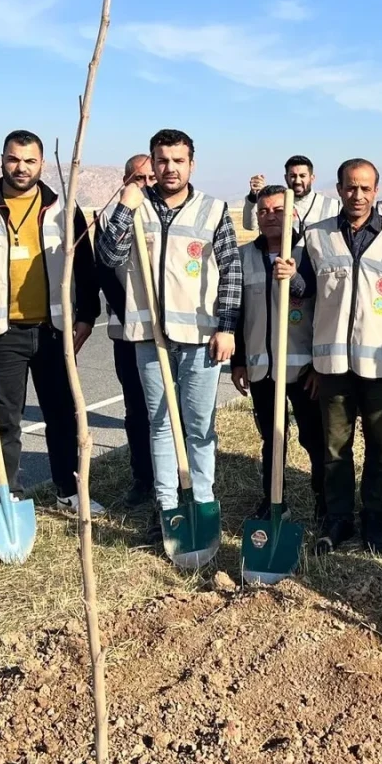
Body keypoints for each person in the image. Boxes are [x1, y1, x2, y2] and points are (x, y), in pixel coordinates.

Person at [0, 130, 103, 515]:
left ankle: (69, 490)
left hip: (53, 331)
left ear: (41, 163)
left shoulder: (64, 206)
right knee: (4, 420)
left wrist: (88, 315)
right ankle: (7, 495)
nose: (21, 167)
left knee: (63, 416)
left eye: (29, 161)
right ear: (2, 159)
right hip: (1, 332)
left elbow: (85, 265)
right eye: (14, 159)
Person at [95, 129, 242, 541]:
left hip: (200, 335)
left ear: (191, 164)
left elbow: (231, 270)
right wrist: (126, 205)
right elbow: (108, 257)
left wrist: (226, 327)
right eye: (162, 161)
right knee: (159, 423)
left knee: (198, 424)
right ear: (152, 164)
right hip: (149, 336)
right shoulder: (135, 209)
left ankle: (202, 500)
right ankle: (167, 508)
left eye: (178, 160)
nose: (170, 168)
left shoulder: (213, 210)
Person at [302, 158, 382, 554]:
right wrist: (291, 276)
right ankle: (338, 520)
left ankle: (374, 518)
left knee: (381, 447)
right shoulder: (316, 236)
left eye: (365, 188)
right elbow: (308, 288)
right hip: (332, 364)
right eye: (351, 187)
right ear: (338, 189)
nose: (358, 195)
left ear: (375, 191)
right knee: (335, 448)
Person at [231, 184, 328, 524]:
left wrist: (319, 366)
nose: (270, 216)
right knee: (272, 440)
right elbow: (238, 313)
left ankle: (324, 498)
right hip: (262, 369)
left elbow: (324, 305)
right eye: (263, 211)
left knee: (315, 438)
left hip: (304, 370)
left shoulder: (312, 251)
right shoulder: (244, 257)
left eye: (278, 210)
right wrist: (239, 360)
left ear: (294, 214)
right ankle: (274, 500)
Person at [97, 153, 157, 505]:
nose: (146, 185)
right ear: (125, 180)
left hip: (169, 331)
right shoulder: (110, 215)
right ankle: (142, 478)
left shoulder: (162, 212)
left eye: (151, 178)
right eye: (139, 179)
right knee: (137, 409)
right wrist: (136, 316)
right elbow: (106, 272)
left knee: (168, 410)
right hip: (128, 332)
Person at [243, 155, 341, 234]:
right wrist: (253, 196)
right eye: (293, 176)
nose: (297, 181)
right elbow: (250, 226)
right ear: (286, 178)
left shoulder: (333, 206)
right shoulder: (276, 203)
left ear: (312, 178)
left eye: (302, 176)